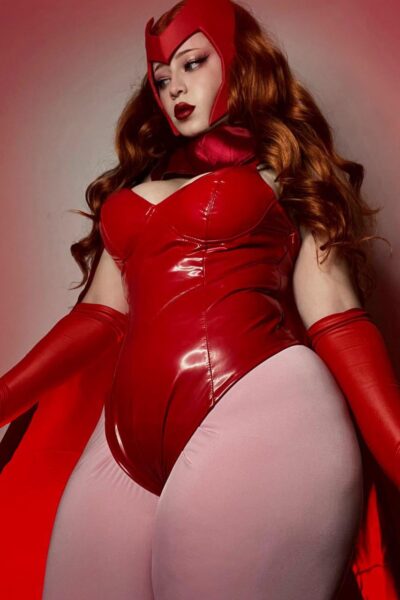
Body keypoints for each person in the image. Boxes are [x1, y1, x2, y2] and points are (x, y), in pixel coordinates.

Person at [1, 0, 399, 598]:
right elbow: (100, 315)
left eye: (192, 64)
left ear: (240, 61)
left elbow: (338, 319)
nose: (174, 90)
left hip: (263, 410)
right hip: (126, 438)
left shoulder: (288, 174)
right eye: (162, 79)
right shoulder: (141, 183)